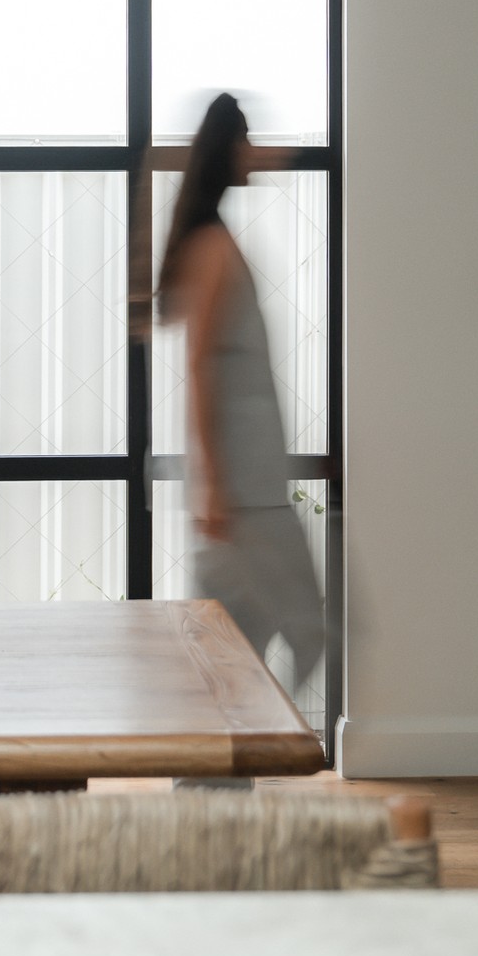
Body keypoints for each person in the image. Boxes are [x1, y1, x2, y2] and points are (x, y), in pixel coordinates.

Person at [157, 92, 323, 694]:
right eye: (248, 142)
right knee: (302, 631)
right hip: (242, 496)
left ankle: (224, 779)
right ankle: (260, 757)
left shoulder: (217, 241)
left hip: (250, 488)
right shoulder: (212, 250)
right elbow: (199, 368)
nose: (256, 152)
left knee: (236, 650)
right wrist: (215, 489)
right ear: (230, 149)